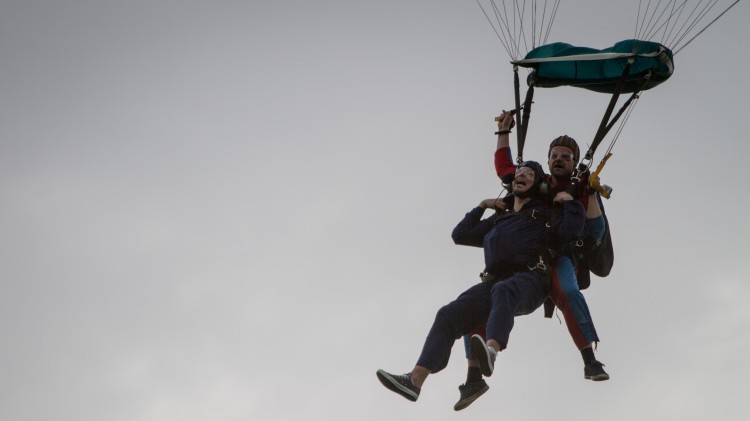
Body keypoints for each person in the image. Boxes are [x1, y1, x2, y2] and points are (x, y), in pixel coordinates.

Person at [376, 161, 585, 404]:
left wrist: (569, 202)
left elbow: (571, 232)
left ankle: (491, 352)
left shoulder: (547, 213)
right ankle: (415, 380)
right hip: (494, 283)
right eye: (519, 173)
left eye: (528, 174)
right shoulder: (499, 218)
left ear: (538, 185)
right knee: (448, 314)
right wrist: (482, 206)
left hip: (531, 279)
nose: (521, 176)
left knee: (504, 290)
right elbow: (460, 235)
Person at [452, 111, 611, 410]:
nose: (559, 159)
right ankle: (473, 378)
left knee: (567, 291)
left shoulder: (580, 186)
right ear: (548, 159)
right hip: (524, 260)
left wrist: (588, 193)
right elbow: (505, 169)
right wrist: (503, 131)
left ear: (574, 161)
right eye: (555, 155)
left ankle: (590, 361)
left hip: (556, 257)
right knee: (478, 302)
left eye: (566, 155)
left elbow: (595, 232)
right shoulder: (540, 183)